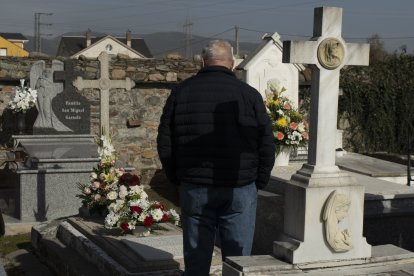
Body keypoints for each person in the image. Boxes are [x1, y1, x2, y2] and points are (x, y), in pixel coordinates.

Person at [157, 40, 275, 275]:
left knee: (196, 257)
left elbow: (165, 142)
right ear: (232, 64)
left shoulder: (182, 92)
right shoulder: (249, 95)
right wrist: (258, 181)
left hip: (195, 185)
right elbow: (266, 143)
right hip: (240, 186)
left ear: (202, 62)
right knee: (238, 259)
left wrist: (177, 178)